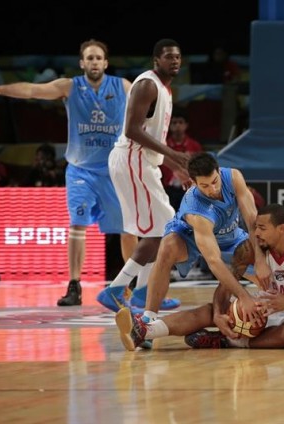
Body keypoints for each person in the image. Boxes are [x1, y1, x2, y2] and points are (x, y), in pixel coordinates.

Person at [0, 39, 138, 306]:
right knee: (77, 225)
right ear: (82, 62)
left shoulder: (123, 87)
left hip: (113, 170)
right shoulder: (70, 86)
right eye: (90, 58)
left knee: (128, 229)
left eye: (99, 58)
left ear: (106, 63)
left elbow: (148, 112)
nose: (94, 62)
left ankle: (130, 284)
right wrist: (0, 89)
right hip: (80, 171)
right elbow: (31, 90)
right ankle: (74, 286)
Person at [115, 203, 284, 350]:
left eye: (262, 229)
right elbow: (226, 284)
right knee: (209, 311)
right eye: (255, 228)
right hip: (258, 309)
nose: (256, 234)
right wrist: (219, 313)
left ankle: (232, 342)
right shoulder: (250, 249)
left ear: (281, 229)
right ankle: (145, 331)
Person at [119, 151, 273, 333]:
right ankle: (148, 319)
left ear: (218, 171)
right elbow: (214, 261)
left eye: (215, 181)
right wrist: (244, 296)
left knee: (273, 283)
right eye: (204, 186)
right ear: (193, 183)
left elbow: (252, 219)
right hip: (190, 237)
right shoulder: (196, 209)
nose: (212, 189)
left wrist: (261, 259)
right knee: (167, 247)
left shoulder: (233, 177)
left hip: (230, 237)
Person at [97, 39, 190, 314]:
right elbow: (132, 131)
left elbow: (154, 136)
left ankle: (142, 294)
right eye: (169, 57)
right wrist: (174, 156)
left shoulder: (165, 88)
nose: (175, 61)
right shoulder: (147, 85)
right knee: (163, 229)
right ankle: (116, 290)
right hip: (132, 159)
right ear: (156, 60)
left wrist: (175, 166)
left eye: (178, 57)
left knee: (160, 230)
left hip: (141, 162)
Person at [160, 106, 203, 211]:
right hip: (168, 190)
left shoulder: (195, 146)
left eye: (180, 122)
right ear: (169, 125)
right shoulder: (163, 146)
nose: (178, 126)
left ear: (186, 125)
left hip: (189, 189)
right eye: (174, 123)